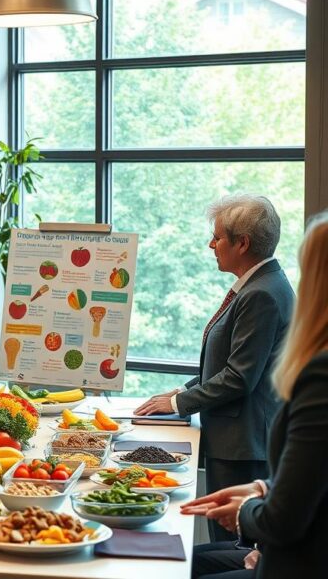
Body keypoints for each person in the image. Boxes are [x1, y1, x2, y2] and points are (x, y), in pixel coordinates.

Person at [134, 195, 294, 542]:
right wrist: (181, 391)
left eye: (218, 236)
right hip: (236, 440)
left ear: (243, 243)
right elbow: (227, 362)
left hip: (242, 445)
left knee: (230, 549)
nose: (211, 244)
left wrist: (178, 405)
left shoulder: (261, 294)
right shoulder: (258, 286)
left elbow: (239, 376)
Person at [182, 211, 328, 578]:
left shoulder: (320, 375)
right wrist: (262, 488)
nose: (210, 245)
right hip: (281, 530)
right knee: (184, 558)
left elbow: (238, 375)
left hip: (295, 558)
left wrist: (247, 510)